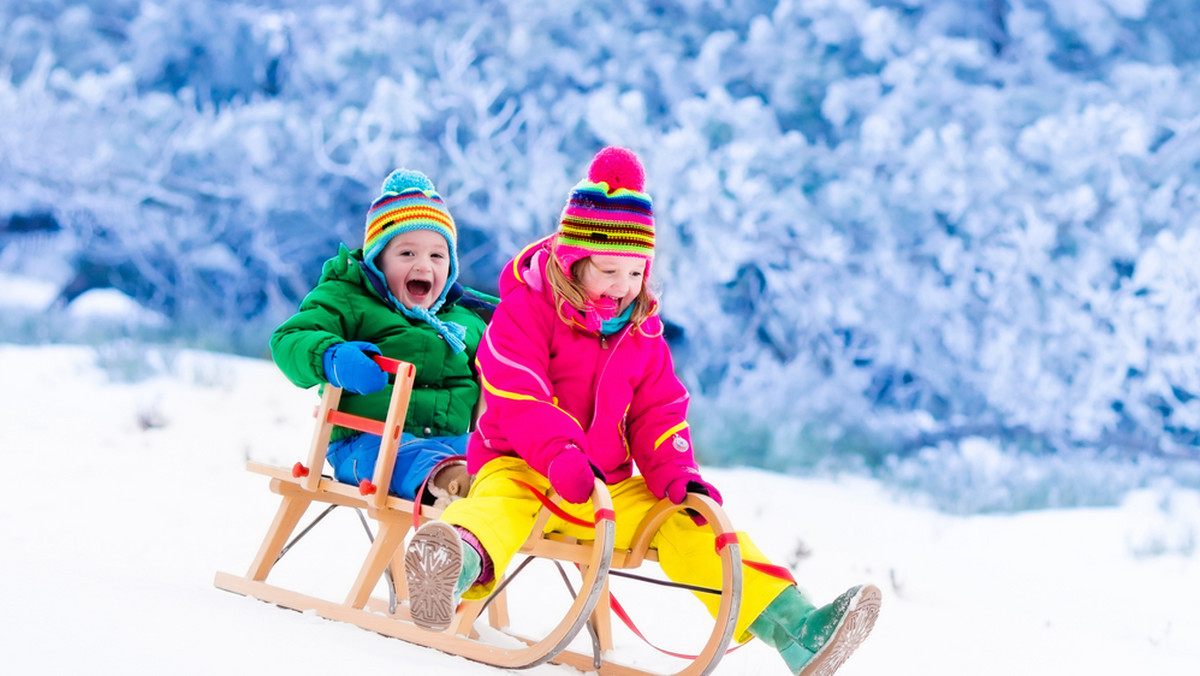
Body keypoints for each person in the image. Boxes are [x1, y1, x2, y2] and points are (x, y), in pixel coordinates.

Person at [402, 147, 880, 675]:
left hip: (606, 487)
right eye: (608, 270)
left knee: (689, 524)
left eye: (635, 272)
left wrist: (677, 472)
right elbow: (518, 391)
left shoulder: (642, 332)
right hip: (521, 467)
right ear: (572, 260)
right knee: (495, 509)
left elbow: (660, 408)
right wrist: (559, 452)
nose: (622, 286)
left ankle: (798, 629)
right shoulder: (525, 312)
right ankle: (449, 566)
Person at [270, 168, 494, 505]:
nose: (424, 266)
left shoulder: (465, 319)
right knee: (401, 457)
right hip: (364, 444)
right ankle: (449, 485)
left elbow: (511, 358)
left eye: (437, 255)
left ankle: (508, 498)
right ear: (377, 260)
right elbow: (290, 338)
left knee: (498, 459)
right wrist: (330, 356)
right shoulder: (348, 297)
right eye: (407, 254)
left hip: (450, 442)